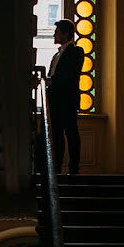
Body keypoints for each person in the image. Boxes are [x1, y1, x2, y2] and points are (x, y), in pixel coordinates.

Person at [46, 18, 85, 175]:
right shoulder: (56, 55)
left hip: (67, 101)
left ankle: (73, 169)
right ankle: (57, 168)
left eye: (57, 32)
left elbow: (67, 75)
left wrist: (50, 80)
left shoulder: (76, 52)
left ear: (66, 34)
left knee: (71, 134)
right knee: (56, 135)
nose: (54, 35)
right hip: (55, 101)